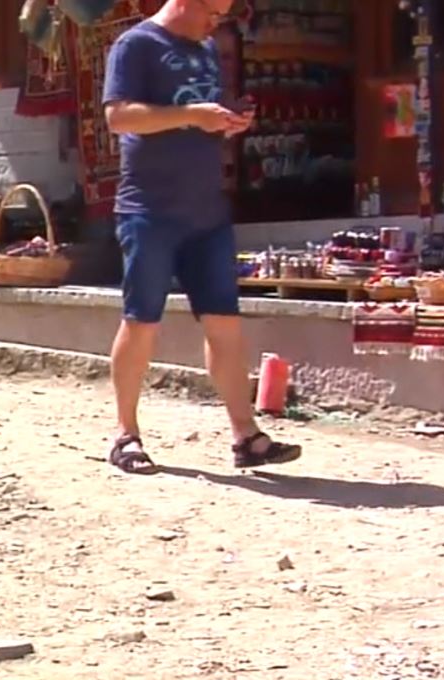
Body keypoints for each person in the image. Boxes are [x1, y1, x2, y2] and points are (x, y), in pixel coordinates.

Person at [102, 0, 301, 473]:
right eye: (212, 12)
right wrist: (192, 115)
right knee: (142, 320)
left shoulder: (207, 48)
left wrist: (228, 120)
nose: (216, 23)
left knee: (225, 325)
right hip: (150, 208)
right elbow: (121, 117)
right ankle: (126, 435)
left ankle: (246, 436)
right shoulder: (135, 45)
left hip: (207, 209)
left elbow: (203, 114)